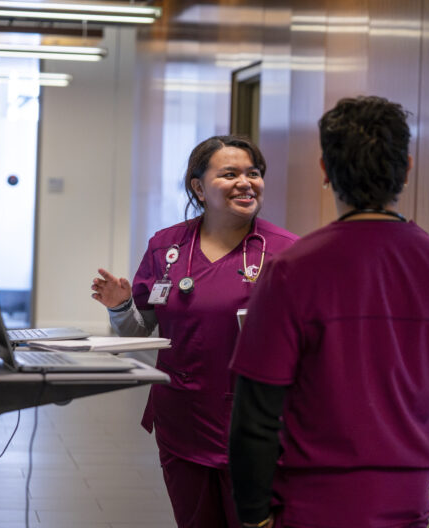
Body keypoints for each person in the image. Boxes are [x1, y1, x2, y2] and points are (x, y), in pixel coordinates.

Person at [227, 96, 429, 528]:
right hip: (408, 505)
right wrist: (414, 476)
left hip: (312, 507)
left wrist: (254, 515)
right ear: (406, 168)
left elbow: (254, 414)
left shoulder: (291, 272)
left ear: (325, 171)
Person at [90, 135, 298, 528]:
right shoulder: (166, 247)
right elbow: (141, 335)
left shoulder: (287, 251)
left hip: (258, 427)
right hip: (182, 420)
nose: (245, 182)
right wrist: (119, 307)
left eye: (253, 173)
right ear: (199, 187)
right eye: (230, 174)